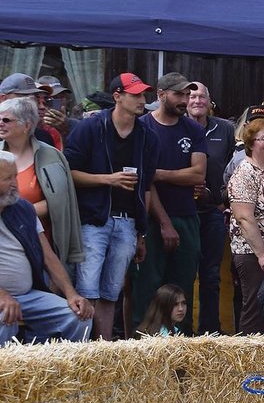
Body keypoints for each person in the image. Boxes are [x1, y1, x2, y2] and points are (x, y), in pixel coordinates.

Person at [64, 72, 158, 341]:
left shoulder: (147, 135)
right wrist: (108, 179)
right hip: (93, 219)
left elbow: (147, 186)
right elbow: (67, 173)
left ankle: (104, 352)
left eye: (143, 94)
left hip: (127, 221)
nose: (142, 100)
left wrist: (142, 232)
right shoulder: (91, 128)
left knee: (111, 292)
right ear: (117, 96)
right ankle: (83, 350)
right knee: (87, 289)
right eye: (136, 94)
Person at [132, 73, 208, 335]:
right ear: (161, 95)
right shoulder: (142, 127)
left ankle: (182, 344)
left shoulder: (194, 129)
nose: (185, 100)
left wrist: (160, 173)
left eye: (188, 94)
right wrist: (164, 223)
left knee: (183, 287)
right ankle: (141, 344)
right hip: (151, 219)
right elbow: (143, 181)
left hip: (187, 216)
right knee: (147, 285)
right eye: (179, 94)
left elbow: (198, 174)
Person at [0, 153, 93, 343]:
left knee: (77, 317)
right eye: (8, 178)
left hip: (27, 296)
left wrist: (71, 293)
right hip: (3, 301)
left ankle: (66, 372)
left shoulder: (23, 209)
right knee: (5, 317)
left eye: (15, 176)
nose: (15, 184)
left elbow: (48, 256)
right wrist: (2, 296)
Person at [0, 97, 83, 271]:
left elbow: (61, 199)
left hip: (42, 249)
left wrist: (20, 212)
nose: (1, 123)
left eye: (6, 120)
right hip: (5, 249)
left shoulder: (51, 156)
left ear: (27, 125)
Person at [186, 81, 236, 337]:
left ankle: (210, 331)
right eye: (192, 96)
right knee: (183, 273)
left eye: (201, 96)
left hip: (212, 212)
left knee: (211, 275)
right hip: (182, 212)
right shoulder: (178, 127)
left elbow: (234, 168)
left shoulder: (225, 129)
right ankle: (181, 330)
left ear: (209, 100)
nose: (197, 101)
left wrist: (222, 199)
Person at [227, 118, 264, 335]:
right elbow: (244, 218)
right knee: (255, 305)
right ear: (251, 142)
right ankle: (249, 355)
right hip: (252, 253)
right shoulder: (245, 172)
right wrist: (262, 254)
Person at [0, 73, 63, 150]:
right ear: (3, 98)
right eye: (23, 97)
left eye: (32, 98)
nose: (29, 102)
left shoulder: (43, 137)